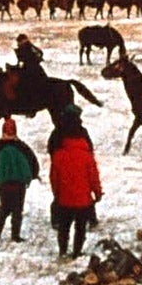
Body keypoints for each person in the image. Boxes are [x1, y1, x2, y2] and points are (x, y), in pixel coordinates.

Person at [49, 109, 104, 258]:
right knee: (80, 228)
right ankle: (77, 252)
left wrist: (57, 193)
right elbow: (94, 176)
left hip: (64, 197)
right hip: (83, 198)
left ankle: (62, 250)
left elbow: (54, 177)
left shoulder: (58, 153)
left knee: (64, 227)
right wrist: (97, 193)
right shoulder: (86, 154)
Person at [0, 117, 40, 241]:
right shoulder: (22, 146)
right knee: (17, 210)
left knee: (5, 207)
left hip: (3, 184)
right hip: (19, 183)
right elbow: (33, 163)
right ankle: (15, 235)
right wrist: (33, 175)